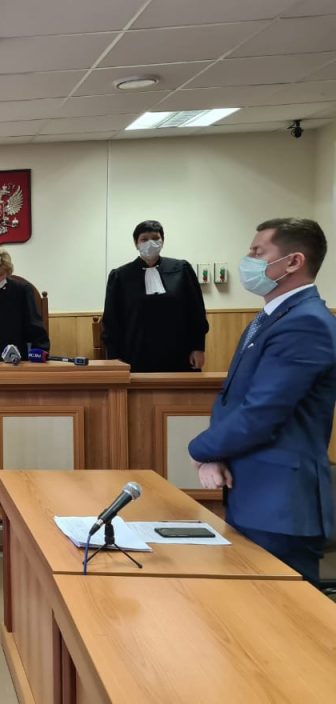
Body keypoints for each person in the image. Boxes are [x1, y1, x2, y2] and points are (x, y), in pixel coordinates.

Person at [188, 218, 336, 585]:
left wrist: (199, 449)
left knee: (285, 615)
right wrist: (217, 454)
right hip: (255, 494)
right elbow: (233, 399)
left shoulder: (306, 323)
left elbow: (261, 414)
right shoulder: (274, 316)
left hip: (281, 505)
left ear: (293, 262)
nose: (248, 260)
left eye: (258, 252)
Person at [101, 220, 208, 372]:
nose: (150, 243)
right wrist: (114, 356)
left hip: (179, 352)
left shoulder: (181, 269)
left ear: (162, 241)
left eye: (155, 238)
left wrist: (198, 347)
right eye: (144, 239)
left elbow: (196, 312)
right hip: (135, 354)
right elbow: (111, 320)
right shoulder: (120, 276)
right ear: (136, 243)